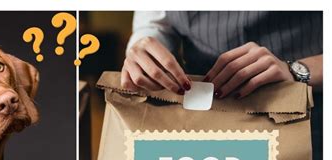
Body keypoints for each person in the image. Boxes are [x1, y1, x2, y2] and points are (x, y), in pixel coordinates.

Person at [121, 11, 323, 98]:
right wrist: (144, 48)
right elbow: (157, 23)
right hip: (202, 132)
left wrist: (297, 71)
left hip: (309, 137)